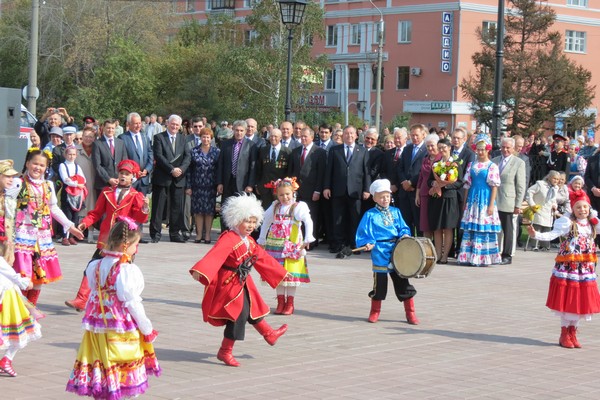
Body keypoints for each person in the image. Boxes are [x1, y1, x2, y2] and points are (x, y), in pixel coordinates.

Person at [189, 194, 289, 367]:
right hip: (228, 283)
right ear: (235, 220)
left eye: (253, 222)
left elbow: (262, 258)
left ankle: (269, 334)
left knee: (251, 308)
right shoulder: (228, 238)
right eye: (246, 221)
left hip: (242, 281)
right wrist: (201, 270)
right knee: (239, 314)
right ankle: (225, 351)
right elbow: (215, 256)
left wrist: (281, 272)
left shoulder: (249, 241)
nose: (250, 226)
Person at [66, 218, 161, 398]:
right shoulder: (126, 270)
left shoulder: (96, 265)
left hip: (97, 327)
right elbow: (132, 302)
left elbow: (96, 291)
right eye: (135, 245)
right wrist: (146, 327)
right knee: (122, 362)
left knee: (102, 362)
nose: (136, 249)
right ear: (125, 245)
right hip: (120, 327)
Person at [65, 160, 150, 312]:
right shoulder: (107, 192)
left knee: (123, 273)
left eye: (127, 174)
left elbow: (140, 218)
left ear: (133, 178)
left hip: (125, 240)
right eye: (121, 173)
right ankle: (81, 299)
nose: (123, 176)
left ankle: (122, 303)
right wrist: (84, 223)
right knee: (92, 266)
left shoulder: (136, 196)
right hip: (106, 238)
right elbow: (96, 213)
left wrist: (144, 208)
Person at [11, 149, 84, 306]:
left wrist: (69, 226)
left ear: (46, 167)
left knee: (38, 276)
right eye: (35, 163)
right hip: (23, 234)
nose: (38, 167)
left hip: (41, 236)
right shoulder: (18, 183)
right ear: (27, 163)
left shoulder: (48, 185)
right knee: (23, 275)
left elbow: (53, 208)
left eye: (42, 165)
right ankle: (19, 310)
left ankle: (31, 308)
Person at [527, 193, 600, 348]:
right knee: (569, 300)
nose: (582, 210)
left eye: (585, 207)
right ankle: (564, 333)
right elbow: (553, 234)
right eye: (578, 207)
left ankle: (573, 331)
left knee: (580, 301)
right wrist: (536, 235)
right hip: (569, 268)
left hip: (585, 269)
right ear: (572, 209)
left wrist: (594, 217)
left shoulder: (592, 224)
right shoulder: (568, 222)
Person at [355, 179, 419, 325]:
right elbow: (363, 232)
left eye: (388, 196)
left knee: (403, 282)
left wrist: (404, 234)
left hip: (396, 250)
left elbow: (403, 227)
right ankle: (375, 312)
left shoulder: (396, 212)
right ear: (374, 198)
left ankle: (410, 313)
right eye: (382, 197)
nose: (385, 199)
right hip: (379, 251)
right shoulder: (370, 215)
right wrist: (367, 243)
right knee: (380, 285)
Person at [0, 160, 42, 378]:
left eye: (12, 176)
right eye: (7, 176)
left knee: (20, 312)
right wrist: (18, 279)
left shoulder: (8, 199)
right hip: (4, 270)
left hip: (6, 261)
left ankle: (7, 358)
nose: (11, 179)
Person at [258, 177, 314, 315]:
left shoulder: (298, 207)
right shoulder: (275, 206)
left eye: (287, 194)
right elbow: (266, 221)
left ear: (293, 192)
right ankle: (280, 301)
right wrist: (261, 238)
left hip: (291, 246)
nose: (285, 197)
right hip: (275, 246)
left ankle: (290, 303)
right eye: (281, 194)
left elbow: (308, 221)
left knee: (290, 275)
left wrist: (308, 237)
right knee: (278, 275)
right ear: (277, 194)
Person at [323, 125, 371, 254]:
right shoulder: (334, 150)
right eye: (346, 133)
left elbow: (366, 172)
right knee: (338, 219)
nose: (349, 136)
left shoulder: (362, 151)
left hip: (356, 191)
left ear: (356, 136)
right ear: (343, 135)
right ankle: (338, 244)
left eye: (351, 133)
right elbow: (329, 171)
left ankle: (354, 245)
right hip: (338, 190)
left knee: (355, 219)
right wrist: (326, 187)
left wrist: (367, 189)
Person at [458, 135, 502, 266]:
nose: (480, 152)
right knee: (471, 227)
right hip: (473, 198)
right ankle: (468, 256)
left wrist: (491, 205)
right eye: (478, 149)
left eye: (483, 149)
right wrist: (465, 202)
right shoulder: (472, 164)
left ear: (488, 149)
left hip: (485, 198)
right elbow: (467, 184)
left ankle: (483, 257)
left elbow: (494, 186)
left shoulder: (492, 166)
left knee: (483, 227)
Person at [150, 114, 191, 243]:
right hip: (163, 178)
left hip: (179, 179)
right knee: (158, 207)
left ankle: (174, 233)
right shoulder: (158, 138)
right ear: (167, 123)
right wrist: (171, 169)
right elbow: (159, 156)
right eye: (172, 124)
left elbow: (187, 157)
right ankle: (155, 233)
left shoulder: (183, 139)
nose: (174, 126)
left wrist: (181, 169)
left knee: (177, 208)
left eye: (177, 125)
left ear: (180, 127)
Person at [287, 127, 326, 248]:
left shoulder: (319, 152)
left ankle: (311, 242)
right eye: (301, 136)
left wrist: (318, 191)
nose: (303, 138)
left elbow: (321, 173)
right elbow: (291, 171)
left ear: (312, 137)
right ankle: (298, 240)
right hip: (297, 191)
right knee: (297, 216)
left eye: (305, 136)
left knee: (311, 217)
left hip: (312, 191)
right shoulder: (295, 151)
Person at [428, 137, 464, 264]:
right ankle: (438, 254)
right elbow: (428, 180)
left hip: (450, 199)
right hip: (437, 199)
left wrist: (445, 185)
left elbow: (459, 182)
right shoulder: (436, 164)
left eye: (444, 147)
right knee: (437, 228)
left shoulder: (455, 163)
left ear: (449, 148)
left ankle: (445, 256)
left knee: (448, 228)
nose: (442, 150)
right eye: (440, 148)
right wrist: (433, 183)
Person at [491, 137, 526, 265]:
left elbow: (520, 186)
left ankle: (507, 254)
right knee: (495, 228)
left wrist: (518, 204)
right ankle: (494, 252)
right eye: (503, 147)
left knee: (508, 229)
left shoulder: (518, 163)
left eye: (508, 148)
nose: (505, 150)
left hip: (508, 201)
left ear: (513, 148)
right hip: (494, 200)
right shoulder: (494, 161)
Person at [185, 127, 220, 243]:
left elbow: (219, 170)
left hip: (211, 186)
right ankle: (199, 234)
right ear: (200, 138)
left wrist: (219, 184)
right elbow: (189, 170)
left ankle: (208, 235)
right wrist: (188, 186)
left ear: (211, 138)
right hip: (197, 185)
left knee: (209, 211)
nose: (205, 139)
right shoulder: (194, 151)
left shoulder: (216, 152)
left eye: (208, 137)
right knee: (198, 211)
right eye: (203, 137)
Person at [396, 124, 428, 235]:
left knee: (419, 223)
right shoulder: (407, 149)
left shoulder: (427, 150)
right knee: (405, 222)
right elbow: (400, 168)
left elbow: (424, 171)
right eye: (412, 135)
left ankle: (419, 248)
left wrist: (411, 182)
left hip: (417, 191)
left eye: (417, 135)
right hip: (404, 191)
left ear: (423, 135)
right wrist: (404, 182)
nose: (414, 138)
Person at [255, 128, 292, 209]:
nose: (273, 138)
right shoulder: (263, 150)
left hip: (281, 190)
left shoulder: (287, 152)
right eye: (271, 136)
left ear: (280, 138)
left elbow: (289, 172)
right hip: (265, 189)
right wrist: (258, 185)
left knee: (280, 213)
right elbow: (259, 169)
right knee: (266, 214)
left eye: (275, 136)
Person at [58, 146, 87, 246]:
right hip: (67, 192)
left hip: (77, 194)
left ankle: (71, 236)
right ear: (65, 155)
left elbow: (83, 179)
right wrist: (76, 183)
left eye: (73, 154)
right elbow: (65, 179)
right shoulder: (63, 165)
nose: (71, 156)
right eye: (69, 154)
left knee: (75, 216)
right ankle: (64, 236)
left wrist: (77, 182)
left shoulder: (77, 166)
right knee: (67, 215)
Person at [525, 171, 560, 251]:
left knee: (547, 228)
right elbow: (529, 192)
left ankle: (544, 246)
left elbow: (554, 199)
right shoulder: (540, 184)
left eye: (557, 179)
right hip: (539, 208)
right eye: (554, 178)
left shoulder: (556, 188)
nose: (556, 181)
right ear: (549, 177)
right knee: (537, 226)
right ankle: (534, 245)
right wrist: (532, 204)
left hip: (548, 210)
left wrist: (555, 205)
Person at [416, 133, 441, 240]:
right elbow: (421, 178)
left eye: (432, 145)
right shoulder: (425, 159)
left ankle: (437, 248)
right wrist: (417, 195)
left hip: (437, 194)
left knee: (435, 223)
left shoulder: (442, 158)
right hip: (424, 194)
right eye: (428, 146)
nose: (430, 148)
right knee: (425, 224)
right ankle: (427, 249)